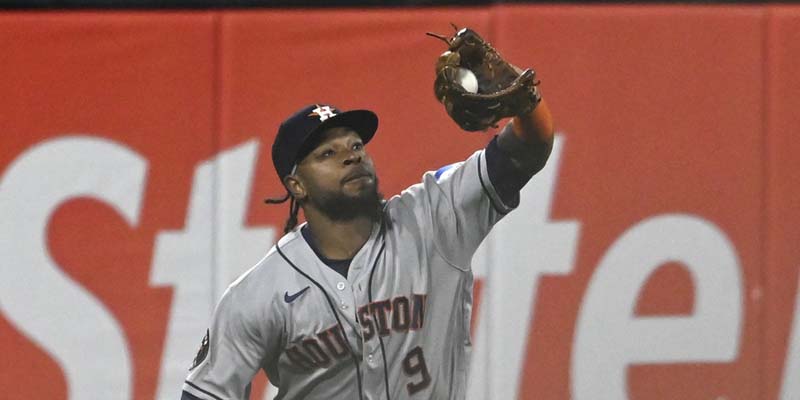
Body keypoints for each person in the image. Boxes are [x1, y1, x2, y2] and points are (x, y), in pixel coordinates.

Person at [180, 93, 553, 399]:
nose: (352, 155)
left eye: (356, 144)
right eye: (328, 153)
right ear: (297, 186)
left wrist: (526, 101)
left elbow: (524, 151)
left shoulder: (431, 221)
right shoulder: (258, 294)